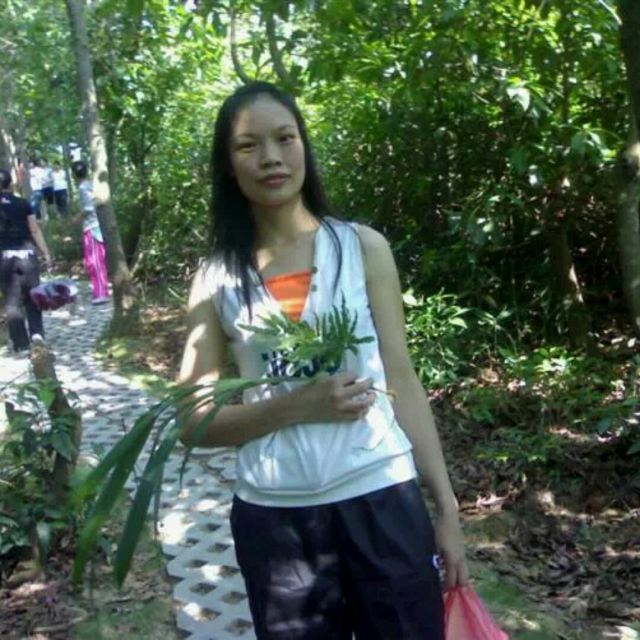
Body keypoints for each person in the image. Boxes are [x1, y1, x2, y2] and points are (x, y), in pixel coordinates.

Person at [177, 82, 468, 639]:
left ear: (304, 147)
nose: (271, 157)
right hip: (276, 518)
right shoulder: (215, 280)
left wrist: (447, 509)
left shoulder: (361, 248)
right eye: (248, 146)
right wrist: (297, 406)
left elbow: (401, 378)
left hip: (381, 496)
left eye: (285, 138)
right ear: (228, 165)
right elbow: (192, 421)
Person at [0, 168, 52, 352]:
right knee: (33, 296)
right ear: (11, 183)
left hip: (4, 259)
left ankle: (21, 343)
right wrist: (45, 253)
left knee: (12, 301)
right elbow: (35, 230)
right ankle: (37, 335)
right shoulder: (23, 203)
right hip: (27, 256)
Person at [70, 161, 110, 305]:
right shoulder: (90, 185)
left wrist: (76, 218)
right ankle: (100, 290)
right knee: (96, 260)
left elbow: (88, 208)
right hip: (95, 226)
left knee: (95, 261)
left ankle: (101, 293)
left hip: (92, 227)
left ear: (74, 174)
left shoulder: (83, 188)